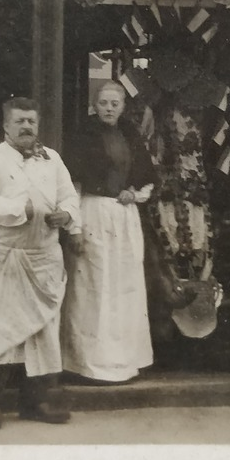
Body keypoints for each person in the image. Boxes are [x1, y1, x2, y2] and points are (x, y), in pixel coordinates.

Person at [0, 96, 82, 430]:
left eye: (31, 121)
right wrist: (21, 210)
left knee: (42, 332)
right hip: (4, 259)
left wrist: (67, 214)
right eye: (20, 121)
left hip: (43, 258)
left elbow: (70, 196)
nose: (27, 127)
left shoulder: (52, 160)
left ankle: (38, 403)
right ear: (6, 126)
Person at [60, 81, 156, 383]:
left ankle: (124, 361)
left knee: (124, 287)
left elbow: (147, 180)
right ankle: (87, 363)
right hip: (93, 214)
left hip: (124, 218)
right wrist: (74, 227)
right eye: (104, 103)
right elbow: (71, 185)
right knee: (92, 286)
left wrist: (134, 192)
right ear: (94, 105)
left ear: (123, 106)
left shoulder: (131, 135)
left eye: (115, 103)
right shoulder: (82, 136)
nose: (109, 108)